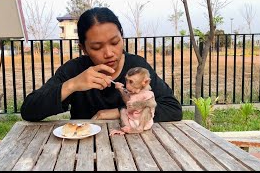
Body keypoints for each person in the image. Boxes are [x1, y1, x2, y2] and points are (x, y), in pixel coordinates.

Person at [20, 7, 182, 122]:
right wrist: (73, 84)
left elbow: (172, 109)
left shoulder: (137, 67)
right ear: (83, 48)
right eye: (97, 47)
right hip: (84, 147)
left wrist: (120, 112)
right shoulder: (74, 70)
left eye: (115, 42)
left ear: (122, 37)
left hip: (133, 145)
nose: (109, 53)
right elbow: (29, 110)